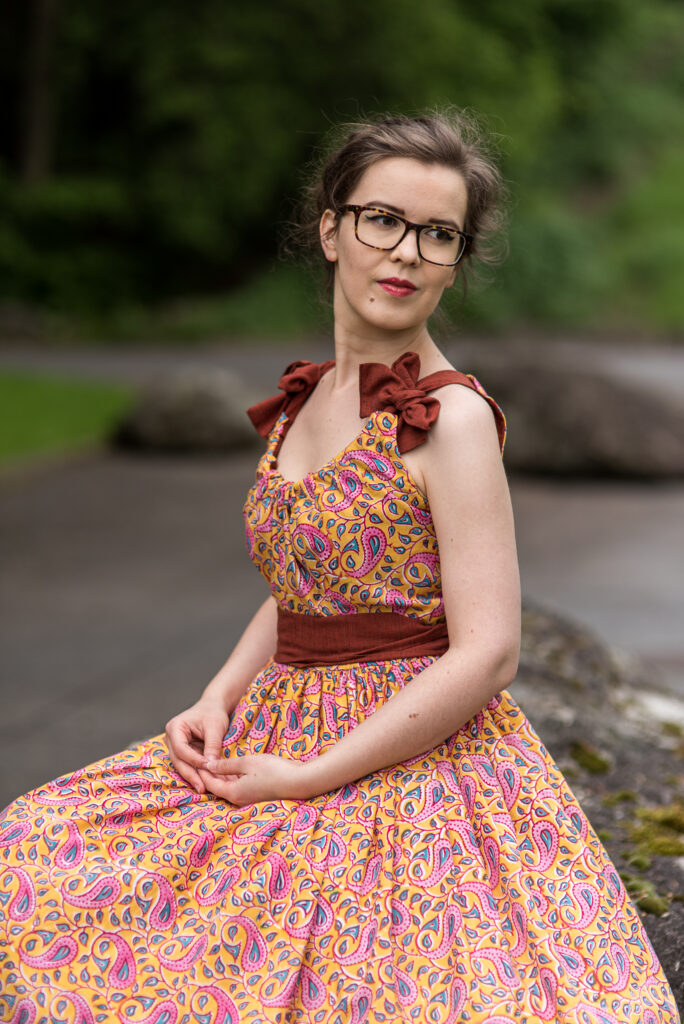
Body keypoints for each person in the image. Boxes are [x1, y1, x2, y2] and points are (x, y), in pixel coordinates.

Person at [0, 111, 678, 1023]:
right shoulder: (307, 396)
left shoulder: (455, 421)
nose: (406, 252)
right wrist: (218, 694)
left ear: (457, 258)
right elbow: (309, 589)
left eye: (439, 234)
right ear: (331, 228)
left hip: (408, 754)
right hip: (279, 724)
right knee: (34, 857)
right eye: (382, 219)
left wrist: (310, 776)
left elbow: (489, 655)